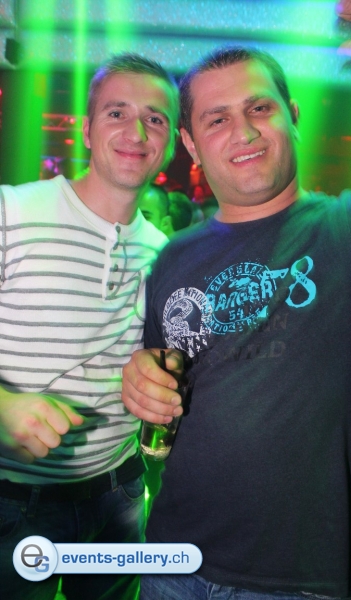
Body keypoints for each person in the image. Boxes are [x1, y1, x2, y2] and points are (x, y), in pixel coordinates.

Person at [121, 11, 351, 600]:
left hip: (295, 582)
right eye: (217, 119)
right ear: (191, 144)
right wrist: (141, 381)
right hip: (171, 560)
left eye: (260, 108)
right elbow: (166, 386)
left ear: (292, 116)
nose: (243, 132)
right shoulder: (173, 258)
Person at [0, 52, 178, 600]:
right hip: (13, 505)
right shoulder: (11, 213)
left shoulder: (167, 256)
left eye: (155, 118)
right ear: (85, 129)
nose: (136, 132)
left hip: (119, 498)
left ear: (172, 142)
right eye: (116, 112)